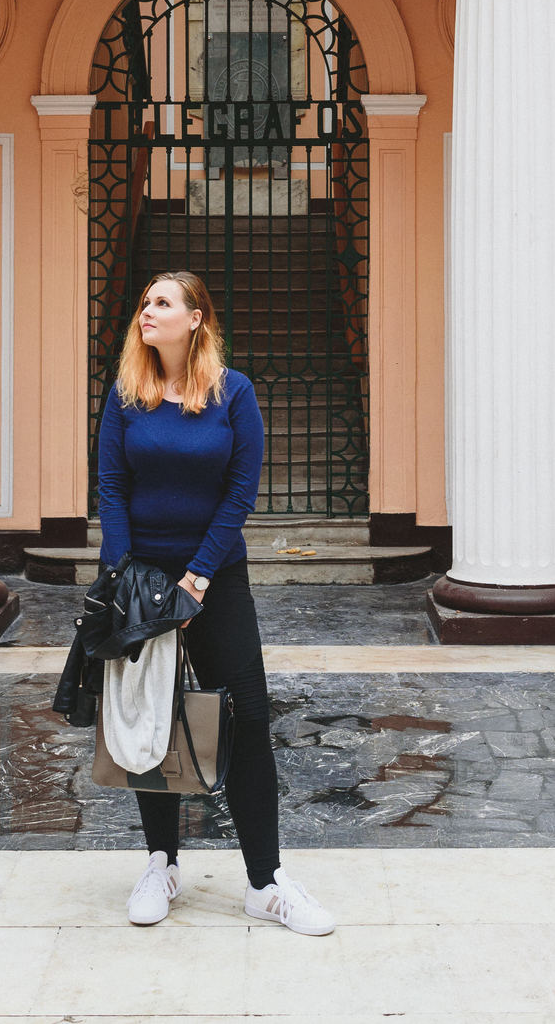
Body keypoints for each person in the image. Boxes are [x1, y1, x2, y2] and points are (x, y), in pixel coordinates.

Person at [97, 269, 335, 936]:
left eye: (162, 303)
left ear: (196, 317)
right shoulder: (126, 395)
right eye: (144, 302)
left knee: (248, 715)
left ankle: (266, 883)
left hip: (215, 579)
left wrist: (197, 578)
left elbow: (240, 492)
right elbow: (111, 488)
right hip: (141, 579)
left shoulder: (234, 394)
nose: (147, 312)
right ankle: (161, 863)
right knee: (153, 718)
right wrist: (127, 579)